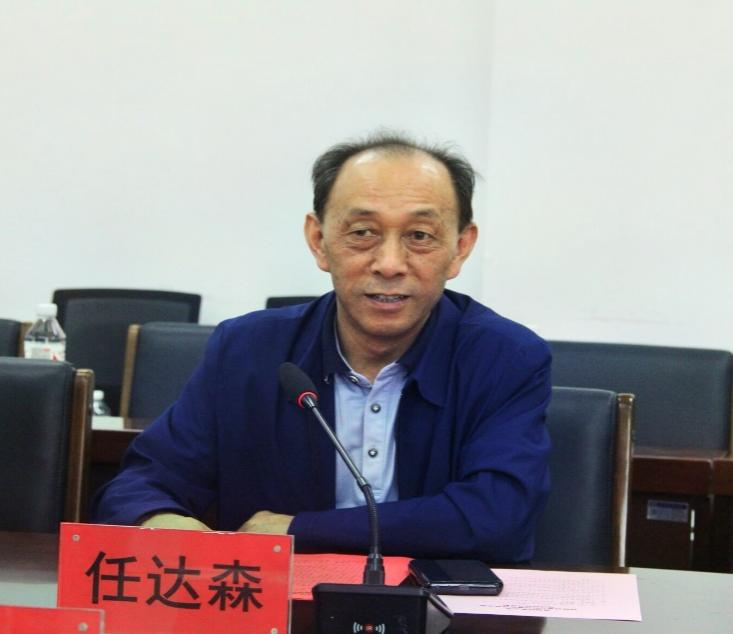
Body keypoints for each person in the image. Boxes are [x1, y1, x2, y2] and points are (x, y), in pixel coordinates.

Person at [92, 132, 551, 562]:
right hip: (280, 607)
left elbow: (497, 516)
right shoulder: (247, 351)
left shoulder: (505, 359)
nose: (390, 264)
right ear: (318, 241)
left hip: (437, 608)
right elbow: (141, 483)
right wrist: (161, 521)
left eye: (419, 236)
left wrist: (301, 530)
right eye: (363, 232)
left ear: (460, 248)